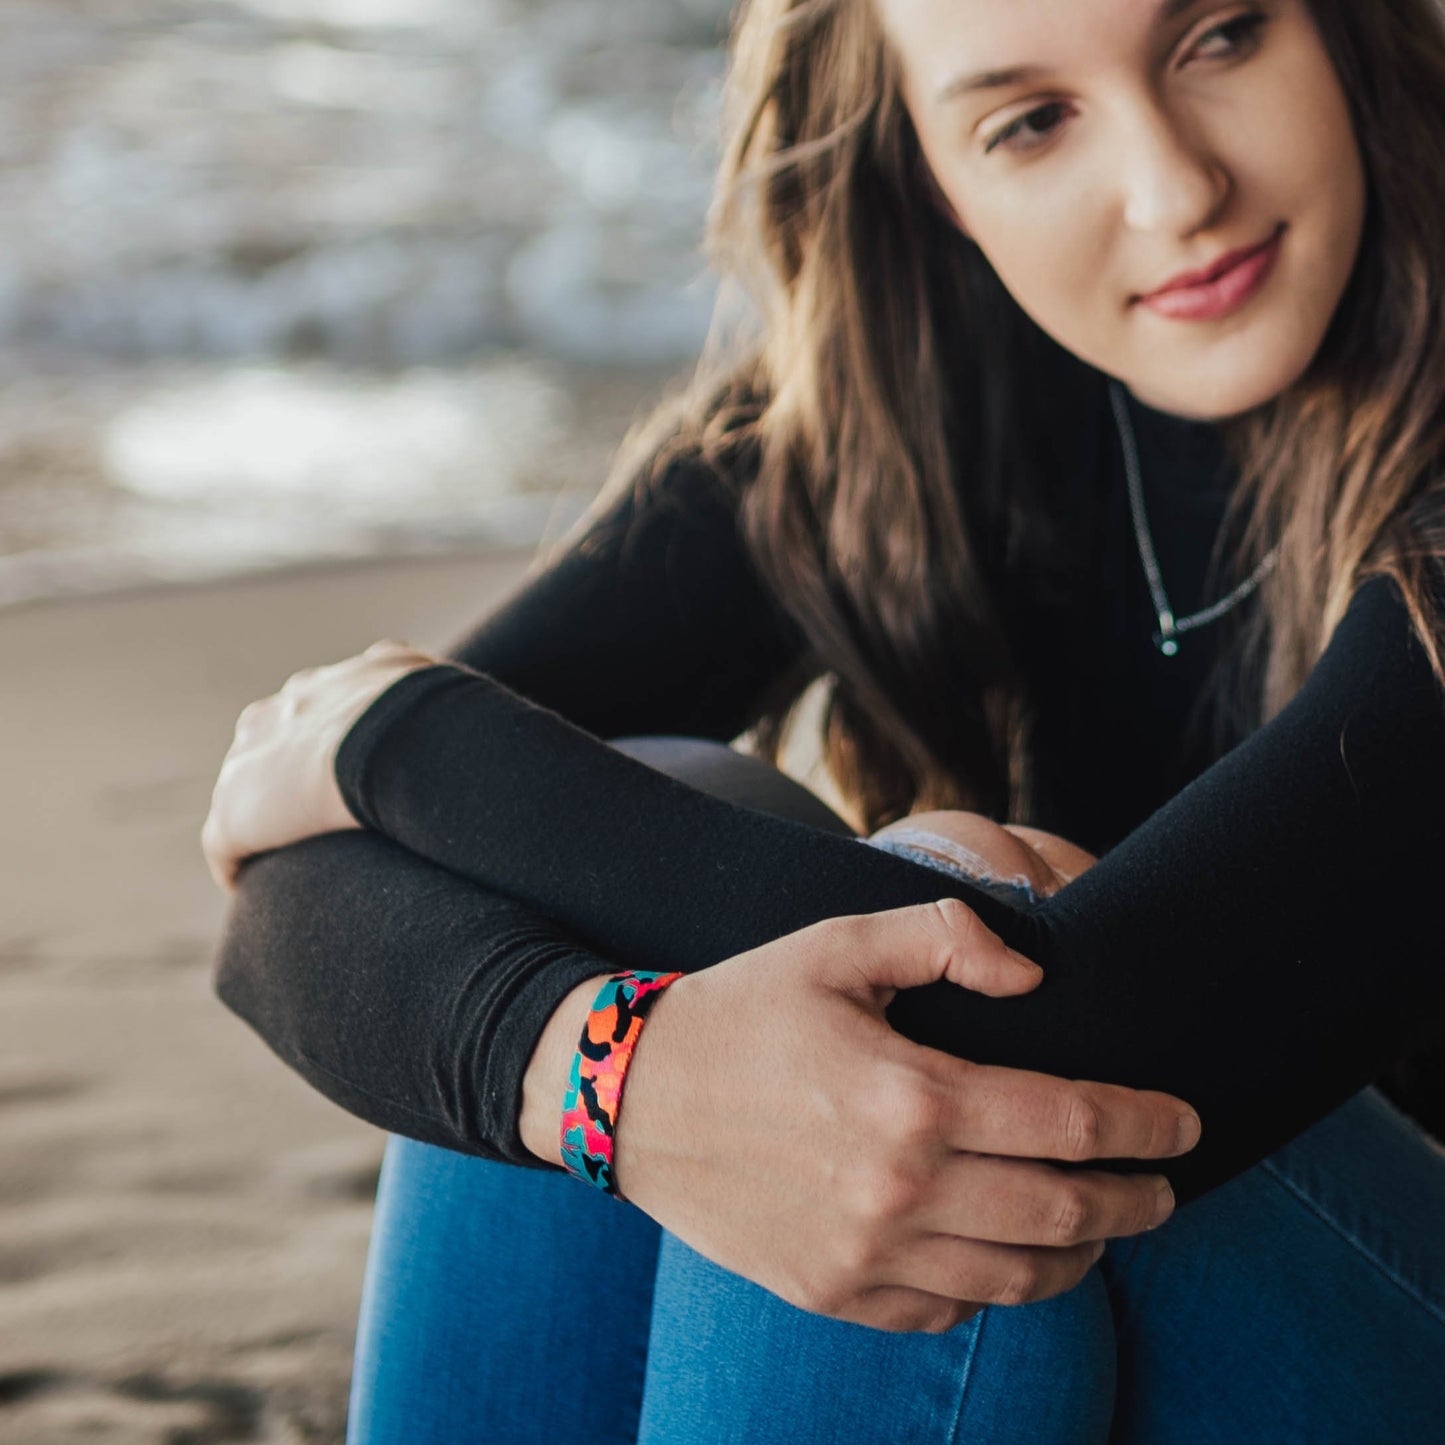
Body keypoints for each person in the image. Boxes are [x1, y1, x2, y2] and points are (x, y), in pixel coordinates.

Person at [201, 0, 1445, 1438]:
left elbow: (1046, 1055)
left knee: (895, 1004)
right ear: (926, 171)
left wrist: (407, 739)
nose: (1173, 190)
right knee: (670, 880)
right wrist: (608, 1069)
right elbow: (283, 916)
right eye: (1029, 120)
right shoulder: (899, 414)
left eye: (1218, 36)